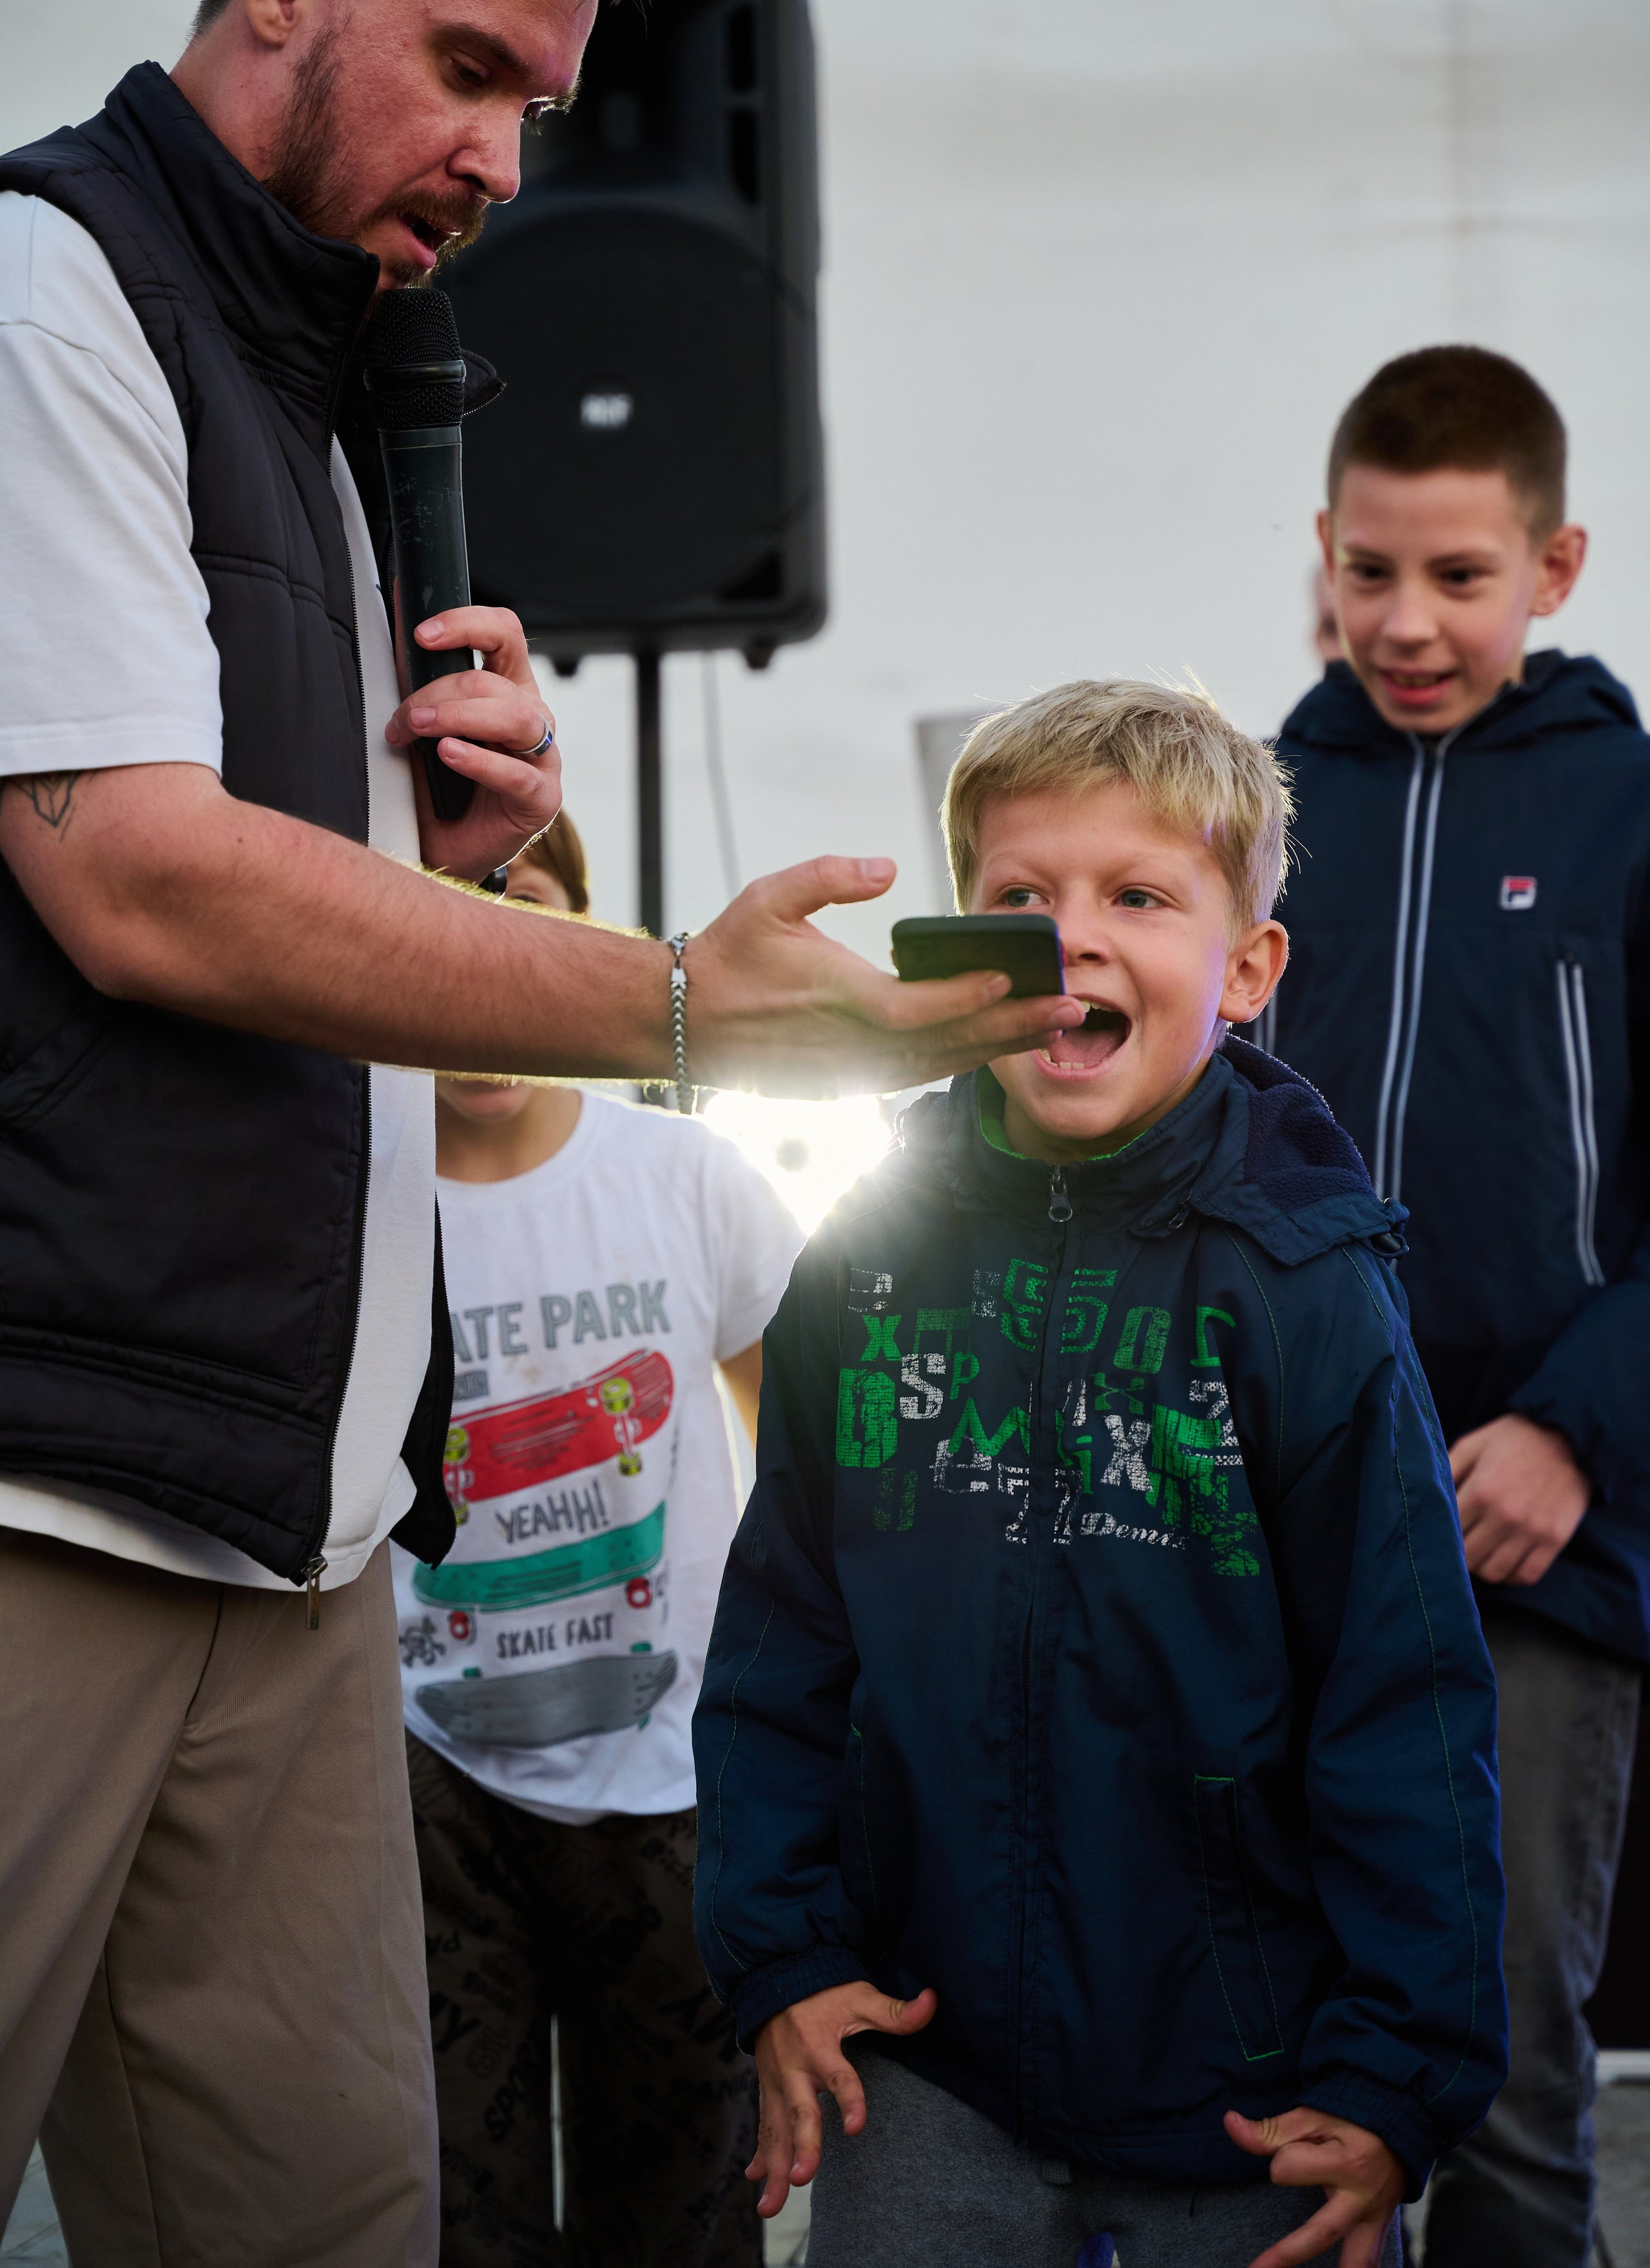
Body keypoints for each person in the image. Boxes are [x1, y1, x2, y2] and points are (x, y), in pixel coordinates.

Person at [0, 0, 1082, 2253]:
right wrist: (684, 1002)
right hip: (45, 1479)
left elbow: (288, 927)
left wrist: (445, 883)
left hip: (303, 1531)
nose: (502, 158)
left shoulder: (351, 397)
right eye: (465, 68)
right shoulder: (49, 292)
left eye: (540, 105)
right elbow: (130, 876)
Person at [692, 681, 1506, 2268]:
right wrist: (778, 1952)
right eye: (1020, 897)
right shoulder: (860, 1263)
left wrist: (1398, 2071)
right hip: (922, 2062)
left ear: (1246, 966)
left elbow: (1403, 1701)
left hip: (1254, 2082)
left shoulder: (1309, 1285)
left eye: (1136, 895)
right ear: (956, 948)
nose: (1070, 937)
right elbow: (778, 1646)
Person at [1257, 346, 1650, 2268]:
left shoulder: (1628, 810)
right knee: (1281, 2054)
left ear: (1557, 565)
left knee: (1497, 2067)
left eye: (1462, 578)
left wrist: (1579, 1426)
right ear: (1320, 555)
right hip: (1277, 1516)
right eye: (1372, 572)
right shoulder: (1252, 801)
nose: (1407, 624)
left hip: (1537, 1539)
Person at [398, 813, 801, 2267]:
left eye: (534, 936)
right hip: (428, 1786)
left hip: (679, 1786)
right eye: (443, 931)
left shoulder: (688, 1179)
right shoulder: (352, 1197)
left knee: (686, 2209)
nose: (491, 980)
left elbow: (803, 1467)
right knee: (453, 2210)